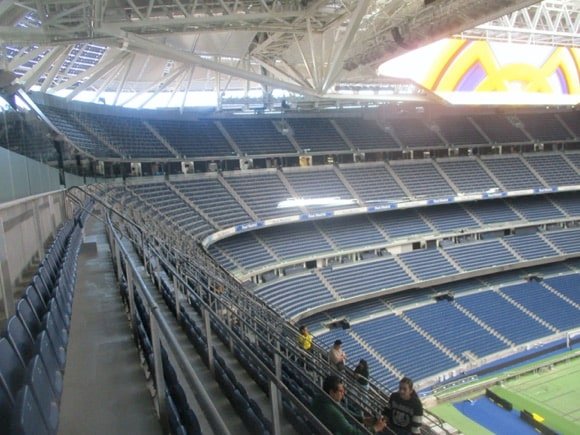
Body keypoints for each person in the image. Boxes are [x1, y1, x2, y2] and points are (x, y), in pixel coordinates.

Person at [311, 375, 386, 435]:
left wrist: (362, 419)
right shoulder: (331, 410)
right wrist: (376, 428)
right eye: (340, 391)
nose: (343, 394)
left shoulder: (320, 398)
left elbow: (341, 411)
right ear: (331, 392)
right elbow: (352, 433)